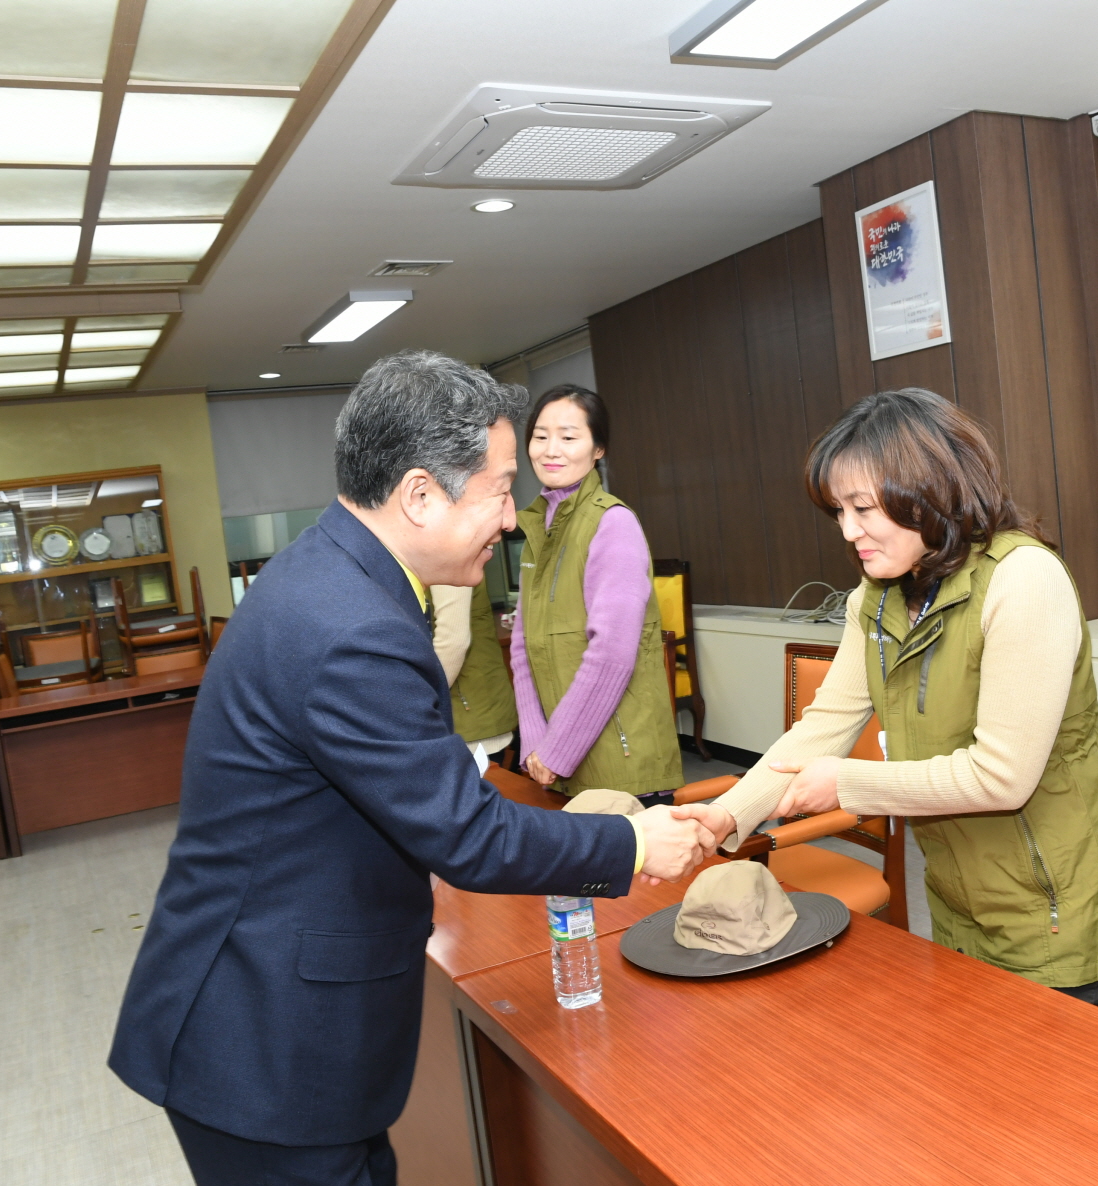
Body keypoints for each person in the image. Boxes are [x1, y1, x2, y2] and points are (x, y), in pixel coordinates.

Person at [108, 352, 715, 1186]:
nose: (510, 519)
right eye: (500, 490)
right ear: (422, 494)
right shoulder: (350, 626)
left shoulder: (337, 574)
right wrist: (635, 843)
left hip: (280, 1019)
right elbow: (468, 837)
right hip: (265, 1045)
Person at [676, 388, 1098, 1009]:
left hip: (1059, 905)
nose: (848, 531)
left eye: (862, 508)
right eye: (838, 511)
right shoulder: (875, 595)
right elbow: (823, 727)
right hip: (962, 896)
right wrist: (727, 814)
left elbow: (1003, 777)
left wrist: (846, 784)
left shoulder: (1023, 579)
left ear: (930, 490)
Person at [511, 384, 684, 803]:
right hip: (556, 761)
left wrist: (556, 749)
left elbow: (611, 653)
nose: (551, 450)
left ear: (598, 449)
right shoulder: (536, 526)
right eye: (540, 436)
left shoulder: (613, 523)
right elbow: (521, 645)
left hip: (620, 760)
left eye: (569, 437)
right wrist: (535, 740)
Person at [428, 581, 517, 772]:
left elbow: (453, 641)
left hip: (470, 717)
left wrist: (418, 700)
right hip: (465, 716)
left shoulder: (446, 564)